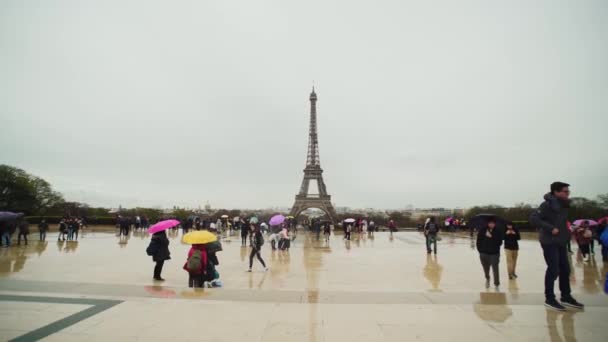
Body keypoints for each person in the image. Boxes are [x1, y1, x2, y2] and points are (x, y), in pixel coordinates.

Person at [530, 181, 584, 311]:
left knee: (565, 270)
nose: (568, 194)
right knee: (553, 269)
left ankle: (565, 296)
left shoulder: (564, 205)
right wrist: (550, 228)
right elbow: (533, 219)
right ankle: (549, 298)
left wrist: (570, 229)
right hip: (549, 241)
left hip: (560, 241)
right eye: (565, 191)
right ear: (556, 192)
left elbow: (561, 223)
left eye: (568, 191)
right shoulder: (546, 205)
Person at [476, 218, 502, 288]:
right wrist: (480, 251)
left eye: (493, 223)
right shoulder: (482, 230)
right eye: (490, 223)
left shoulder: (498, 231)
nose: (491, 224)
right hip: (484, 253)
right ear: (488, 223)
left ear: (495, 224)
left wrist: (491, 237)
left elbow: (500, 243)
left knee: (495, 268)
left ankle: (496, 283)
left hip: (494, 253)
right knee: (486, 268)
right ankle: (487, 278)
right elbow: (478, 241)